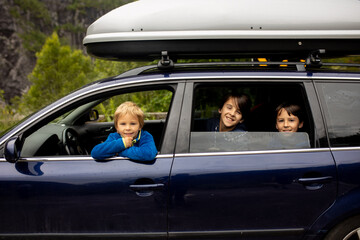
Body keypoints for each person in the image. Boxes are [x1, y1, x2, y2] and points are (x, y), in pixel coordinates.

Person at [91, 101, 158, 161]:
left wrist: (119, 151)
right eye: (123, 124)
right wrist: (122, 143)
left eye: (133, 124)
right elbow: (95, 152)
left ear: (140, 126)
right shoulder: (114, 137)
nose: (128, 128)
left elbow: (148, 154)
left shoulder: (145, 136)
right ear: (117, 127)